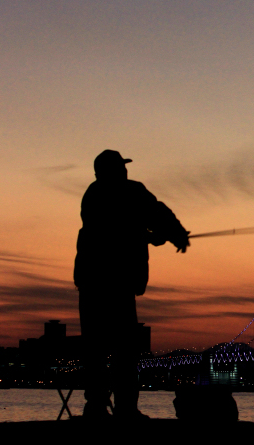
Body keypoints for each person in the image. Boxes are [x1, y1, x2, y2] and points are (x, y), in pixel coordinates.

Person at [74, 150, 190, 420]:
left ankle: (96, 406)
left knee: (95, 347)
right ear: (115, 170)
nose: (125, 171)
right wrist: (175, 234)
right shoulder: (131, 191)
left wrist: (149, 236)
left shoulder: (92, 194)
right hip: (118, 281)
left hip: (91, 280)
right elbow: (154, 213)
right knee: (124, 348)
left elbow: (114, 229)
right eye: (121, 167)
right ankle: (125, 408)